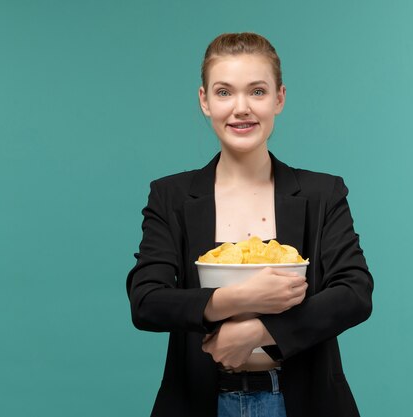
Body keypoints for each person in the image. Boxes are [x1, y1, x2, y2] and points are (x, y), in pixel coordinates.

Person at [126, 32, 374, 417]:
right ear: (204, 101)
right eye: (224, 92)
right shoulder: (170, 196)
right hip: (200, 402)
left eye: (257, 92)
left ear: (279, 98)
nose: (241, 108)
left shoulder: (323, 193)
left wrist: (261, 331)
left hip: (303, 402)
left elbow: (354, 293)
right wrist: (241, 298)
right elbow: (146, 301)